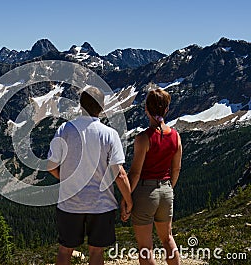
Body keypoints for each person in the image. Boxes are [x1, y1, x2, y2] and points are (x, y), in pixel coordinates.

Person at [47, 86, 133, 265]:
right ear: (102, 107)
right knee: (96, 252)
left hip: (69, 204)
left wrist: (68, 179)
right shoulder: (110, 134)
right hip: (101, 205)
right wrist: (128, 200)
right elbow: (119, 174)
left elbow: (51, 166)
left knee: (65, 251)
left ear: (81, 105)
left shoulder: (64, 129)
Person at [122, 88, 182, 265]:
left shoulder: (143, 138)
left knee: (145, 247)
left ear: (146, 109)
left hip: (145, 193)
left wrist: (126, 199)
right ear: (166, 110)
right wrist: (169, 187)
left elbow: (135, 173)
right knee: (168, 239)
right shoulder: (176, 137)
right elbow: (176, 169)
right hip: (166, 190)